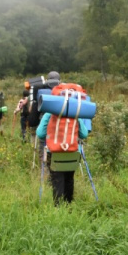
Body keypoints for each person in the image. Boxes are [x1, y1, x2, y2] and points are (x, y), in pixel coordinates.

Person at [35, 76, 89, 205]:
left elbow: (40, 133)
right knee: (69, 179)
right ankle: (69, 204)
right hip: (72, 153)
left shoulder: (49, 113)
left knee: (57, 179)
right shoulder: (76, 114)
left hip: (54, 153)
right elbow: (84, 134)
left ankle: (58, 206)